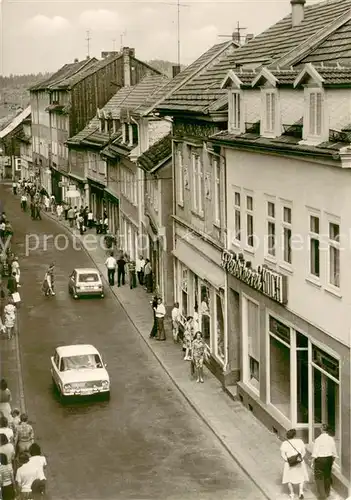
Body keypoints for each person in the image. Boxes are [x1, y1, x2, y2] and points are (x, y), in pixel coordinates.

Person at [311, 424, 338, 500]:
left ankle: (322, 496)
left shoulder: (318, 439)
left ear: (321, 429)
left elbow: (315, 452)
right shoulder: (331, 439)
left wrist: (312, 462)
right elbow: (334, 452)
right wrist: (332, 461)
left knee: (319, 477)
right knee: (327, 476)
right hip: (329, 459)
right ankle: (327, 492)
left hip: (320, 459)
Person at [280, 429, 308, 499]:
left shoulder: (284, 443)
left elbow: (282, 455)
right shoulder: (300, 441)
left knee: (289, 478)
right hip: (299, 462)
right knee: (301, 477)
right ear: (295, 435)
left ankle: (292, 494)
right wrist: (299, 459)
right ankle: (300, 492)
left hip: (289, 463)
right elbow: (304, 452)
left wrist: (288, 460)